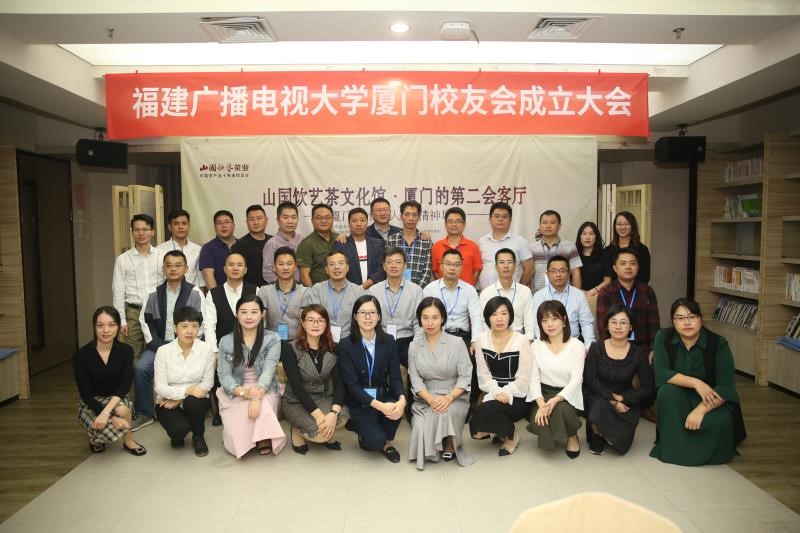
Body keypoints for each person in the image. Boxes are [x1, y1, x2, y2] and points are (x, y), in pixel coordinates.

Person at [650, 298, 746, 466]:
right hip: (678, 397)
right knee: (666, 392)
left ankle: (694, 450)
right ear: (673, 321)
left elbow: (726, 387)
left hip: (711, 400)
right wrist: (696, 383)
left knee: (719, 421)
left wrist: (700, 411)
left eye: (692, 317)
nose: (686, 322)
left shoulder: (718, 343)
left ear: (700, 318)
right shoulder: (663, 337)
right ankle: (674, 450)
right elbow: (662, 372)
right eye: (680, 318)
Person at [133, 250, 204, 430]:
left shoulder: (195, 293)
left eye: (178, 265)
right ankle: (144, 413)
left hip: (187, 346)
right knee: (141, 368)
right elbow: (145, 322)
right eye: (169, 265)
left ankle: (187, 406)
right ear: (163, 269)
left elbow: (201, 322)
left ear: (186, 268)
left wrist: (186, 344)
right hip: (158, 345)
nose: (173, 269)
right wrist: (159, 347)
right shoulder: (152, 294)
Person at [408, 297, 474, 470]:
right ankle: (436, 444)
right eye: (425, 317)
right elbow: (415, 380)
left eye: (435, 317)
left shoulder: (457, 343)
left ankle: (450, 444)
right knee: (421, 425)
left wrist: (449, 398)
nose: (430, 323)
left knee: (444, 413)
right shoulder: (414, 346)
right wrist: (431, 399)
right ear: (419, 319)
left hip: (454, 394)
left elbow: (465, 377)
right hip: (426, 397)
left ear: (443, 318)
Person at [216, 294, 286, 459]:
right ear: (237, 314)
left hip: (264, 386)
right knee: (241, 417)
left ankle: (262, 437)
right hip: (236, 388)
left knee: (263, 404)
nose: (249, 317)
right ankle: (253, 437)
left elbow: (269, 370)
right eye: (244, 312)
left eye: (254, 312)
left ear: (262, 314)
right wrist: (242, 392)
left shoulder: (272, 338)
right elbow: (224, 375)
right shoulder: (226, 341)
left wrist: (256, 396)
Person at [337, 295, 406, 462]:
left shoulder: (388, 341)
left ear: (379, 316)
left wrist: (402, 399)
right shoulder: (345, 345)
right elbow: (352, 386)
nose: (368, 317)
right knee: (374, 441)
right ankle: (366, 432)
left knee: (394, 411)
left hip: (382, 394)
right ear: (355, 316)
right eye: (363, 313)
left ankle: (385, 441)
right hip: (358, 400)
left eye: (372, 312)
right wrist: (380, 407)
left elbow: (395, 377)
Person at [72, 306, 146, 456]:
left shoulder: (126, 351)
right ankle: (96, 438)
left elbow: (124, 385)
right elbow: (85, 394)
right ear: (94, 327)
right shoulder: (81, 356)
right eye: (100, 325)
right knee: (103, 426)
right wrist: (110, 417)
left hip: (116, 398)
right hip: (92, 402)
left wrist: (107, 413)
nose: (106, 330)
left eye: (111, 325)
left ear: (118, 327)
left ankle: (128, 440)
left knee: (123, 411)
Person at [583, 305, 653, 455]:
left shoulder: (638, 353)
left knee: (620, 445)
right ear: (607, 325)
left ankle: (610, 434)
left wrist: (622, 398)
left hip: (625, 399)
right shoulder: (596, 348)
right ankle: (597, 435)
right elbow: (590, 379)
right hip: (599, 394)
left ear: (631, 326)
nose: (618, 327)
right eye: (613, 322)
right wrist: (612, 400)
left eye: (623, 322)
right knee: (598, 404)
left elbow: (647, 387)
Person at [280, 304, 349, 454]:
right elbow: (297, 388)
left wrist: (333, 414)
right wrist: (319, 416)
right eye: (310, 320)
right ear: (303, 324)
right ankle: (297, 430)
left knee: (342, 417)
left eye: (320, 320)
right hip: (296, 400)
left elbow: (339, 384)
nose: (315, 324)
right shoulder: (289, 348)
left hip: (322, 397)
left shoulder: (333, 348)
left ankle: (324, 429)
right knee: (320, 435)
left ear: (326, 324)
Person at [469, 297, 532, 456]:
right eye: (494, 314)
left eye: (504, 313)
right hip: (493, 393)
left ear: (510, 316)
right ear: (487, 318)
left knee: (485, 412)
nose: (499, 319)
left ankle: (511, 436)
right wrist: (497, 392)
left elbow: (524, 378)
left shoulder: (522, 340)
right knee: (477, 431)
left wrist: (507, 392)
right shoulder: (481, 339)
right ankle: (504, 431)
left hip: (517, 395)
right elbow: (483, 375)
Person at [203, 252, 258, 425]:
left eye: (239, 265)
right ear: (224, 269)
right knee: (218, 367)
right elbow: (209, 325)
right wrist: (214, 350)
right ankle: (221, 409)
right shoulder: (213, 293)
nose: (235, 268)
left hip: (249, 343)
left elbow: (260, 320)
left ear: (245, 269)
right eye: (231, 264)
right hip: (223, 345)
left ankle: (245, 403)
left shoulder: (255, 290)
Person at [423, 249, 483, 406]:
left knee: (475, 361)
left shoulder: (469, 289)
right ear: (441, 266)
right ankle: (431, 401)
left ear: (461, 267)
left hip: (463, 337)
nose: (452, 268)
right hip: (438, 335)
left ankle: (469, 404)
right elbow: (424, 317)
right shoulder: (430, 289)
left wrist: (475, 341)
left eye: (456, 265)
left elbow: (476, 316)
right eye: (448, 264)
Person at [153, 306, 215, 457]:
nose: (190, 331)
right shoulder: (163, 351)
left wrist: (180, 398)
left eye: (194, 326)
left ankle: (198, 436)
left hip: (195, 398)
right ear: (175, 328)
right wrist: (186, 390)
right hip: (167, 400)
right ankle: (178, 434)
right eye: (184, 326)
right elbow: (160, 387)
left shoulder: (206, 349)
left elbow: (208, 383)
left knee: (194, 402)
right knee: (179, 430)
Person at [526, 300, 585, 458]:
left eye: (554, 319)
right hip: (544, 393)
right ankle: (558, 428)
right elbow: (533, 379)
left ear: (564, 320)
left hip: (568, 393)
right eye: (544, 320)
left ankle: (572, 435)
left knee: (560, 409)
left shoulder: (577, 346)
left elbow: (576, 380)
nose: (549, 324)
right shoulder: (536, 346)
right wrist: (541, 404)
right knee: (543, 415)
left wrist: (557, 399)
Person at [111, 213, 165, 360]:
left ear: (152, 231)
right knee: (133, 355)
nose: (141, 233)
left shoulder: (162, 256)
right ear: (132, 232)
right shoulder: (123, 259)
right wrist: (121, 320)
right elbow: (118, 291)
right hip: (133, 313)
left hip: (158, 310)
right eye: (137, 230)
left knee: (162, 352)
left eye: (145, 229)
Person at [596, 248, 660, 363]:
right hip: (615, 349)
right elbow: (603, 326)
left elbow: (653, 324)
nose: (628, 267)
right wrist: (609, 351)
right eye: (623, 263)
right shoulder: (606, 292)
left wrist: (653, 349)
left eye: (632, 263)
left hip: (642, 349)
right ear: (615, 268)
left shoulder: (647, 291)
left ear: (638, 267)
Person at [300, 250, 366, 343]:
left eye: (340, 263)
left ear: (347, 267)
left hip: (351, 342)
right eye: (331, 264)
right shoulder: (317, 290)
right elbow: (309, 318)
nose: (336, 267)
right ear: (326, 269)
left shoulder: (359, 292)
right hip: (322, 342)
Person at [532, 255, 595, 350]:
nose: (558, 275)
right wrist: (544, 347)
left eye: (562, 271)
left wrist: (589, 348)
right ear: (547, 274)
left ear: (569, 274)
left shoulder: (578, 295)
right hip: (548, 345)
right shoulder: (539, 296)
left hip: (574, 344)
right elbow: (537, 324)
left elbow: (586, 323)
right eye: (554, 271)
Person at [479, 248, 535, 340]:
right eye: (501, 262)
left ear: (515, 266)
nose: (506, 266)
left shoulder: (525, 291)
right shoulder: (486, 293)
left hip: (519, 338)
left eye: (509, 262)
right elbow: (483, 322)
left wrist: (529, 340)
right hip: (494, 338)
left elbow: (530, 320)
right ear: (496, 267)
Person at [477, 202, 533, 290]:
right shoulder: (481, 242)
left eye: (504, 217)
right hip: (485, 293)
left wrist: (519, 289)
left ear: (510, 220)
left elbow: (529, 269)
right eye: (497, 216)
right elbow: (477, 269)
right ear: (490, 219)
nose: (500, 219)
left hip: (512, 294)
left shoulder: (520, 241)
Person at [256, 246, 307, 341]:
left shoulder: (305, 291)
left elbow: (306, 320)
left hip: (297, 342)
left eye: (289, 264)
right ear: (274, 267)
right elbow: (260, 318)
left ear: (295, 267)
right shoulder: (265, 291)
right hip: (271, 342)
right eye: (281, 264)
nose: (285, 268)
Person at [334, 207, 386, 289]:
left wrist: (363, 287)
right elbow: (338, 269)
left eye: (362, 220)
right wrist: (354, 290)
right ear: (349, 223)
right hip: (348, 290)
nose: (359, 224)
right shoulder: (341, 245)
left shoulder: (378, 244)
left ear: (367, 222)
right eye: (354, 221)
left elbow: (381, 269)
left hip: (374, 290)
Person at [530, 210, 582, 292]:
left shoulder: (569, 247)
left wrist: (576, 295)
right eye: (544, 222)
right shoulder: (532, 248)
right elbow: (529, 273)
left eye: (552, 222)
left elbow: (575, 273)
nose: (548, 226)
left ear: (559, 226)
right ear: (540, 225)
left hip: (564, 294)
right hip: (538, 294)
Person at [385, 200, 433, 287]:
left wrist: (416, 291)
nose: (411, 218)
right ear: (401, 217)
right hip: (395, 289)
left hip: (419, 290)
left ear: (419, 217)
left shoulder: (426, 241)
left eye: (414, 215)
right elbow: (387, 267)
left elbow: (427, 271)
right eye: (407, 214)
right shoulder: (391, 240)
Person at [431, 207, 482, 286]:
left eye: (458, 221)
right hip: (443, 291)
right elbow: (435, 271)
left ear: (464, 224)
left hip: (466, 292)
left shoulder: (473, 246)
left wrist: (469, 288)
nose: (454, 224)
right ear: (445, 224)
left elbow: (477, 271)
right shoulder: (436, 247)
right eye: (450, 221)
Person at [157, 209, 204, 288]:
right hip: (167, 293)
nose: (180, 227)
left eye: (184, 223)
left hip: (191, 293)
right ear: (169, 227)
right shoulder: (159, 250)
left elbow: (201, 282)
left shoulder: (198, 250)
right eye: (176, 224)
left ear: (189, 226)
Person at [603, 211, 651, 284]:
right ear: (615, 227)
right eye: (619, 224)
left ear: (632, 226)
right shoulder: (608, 250)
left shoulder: (642, 249)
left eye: (626, 224)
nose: (622, 227)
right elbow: (606, 276)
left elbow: (644, 277)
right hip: (612, 290)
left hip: (636, 290)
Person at [262, 201, 304, 285]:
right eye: (285, 217)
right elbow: (268, 274)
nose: (290, 221)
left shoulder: (302, 240)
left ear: (297, 219)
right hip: (280, 290)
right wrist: (286, 285)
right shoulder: (272, 243)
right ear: (278, 220)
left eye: (293, 217)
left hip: (302, 289)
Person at [297, 203, 338, 286]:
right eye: (319, 218)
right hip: (318, 291)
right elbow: (304, 276)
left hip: (341, 289)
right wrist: (313, 293)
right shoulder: (306, 244)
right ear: (312, 220)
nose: (323, 221)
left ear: (333, 219)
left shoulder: (338, 239)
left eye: (327, 217)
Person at [231, 204, 272, 287]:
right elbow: (235, 274)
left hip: (272, 291)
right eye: (251, 219)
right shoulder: (239, 246)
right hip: (250, 292)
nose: (256, 222)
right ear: (247, 222)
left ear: (266, 220)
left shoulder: (272, 242)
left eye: (259, 218)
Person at [199, 210, 237, 289]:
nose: (223, 226)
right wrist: (217, 295)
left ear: (233, 226)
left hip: (244, 294)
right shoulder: (208, 248)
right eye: (219, 223)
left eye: (227, 222)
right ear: (214, 227)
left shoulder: (242, 245)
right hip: (220, 293)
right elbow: (208, 277)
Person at [575, 221, 609, 296]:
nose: (587, 237)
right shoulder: (574, 255)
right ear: (579, 236)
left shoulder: (605, 255)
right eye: (584, 234)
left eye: (591, 234)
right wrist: (580, 292)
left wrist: (595, 290)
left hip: (599, 295)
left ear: (596, 236)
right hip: (578, 295)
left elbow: (607, 280)